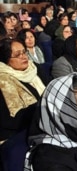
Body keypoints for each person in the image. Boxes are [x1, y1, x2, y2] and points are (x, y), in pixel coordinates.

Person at [0, 38, 49, 170]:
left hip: (43, 123)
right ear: (6, 60)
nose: (23, 57)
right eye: (17, 55)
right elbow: (9, 120)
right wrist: (43, 106)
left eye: (24, 52)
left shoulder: (34, 69)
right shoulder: (2, 80)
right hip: (18, 134)